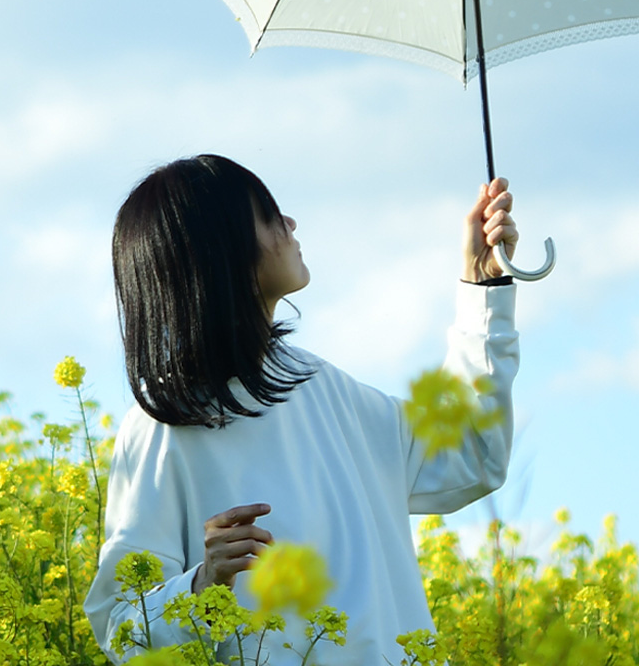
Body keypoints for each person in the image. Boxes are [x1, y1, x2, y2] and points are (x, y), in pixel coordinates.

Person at [83, 154, 522, 664]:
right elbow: (120, 627)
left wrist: (482, 285)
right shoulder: (165, 425)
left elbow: (473, 451)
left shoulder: (324, 387)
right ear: (221, 248)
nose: (290, 224)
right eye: (269, 215)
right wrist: (203, 585)